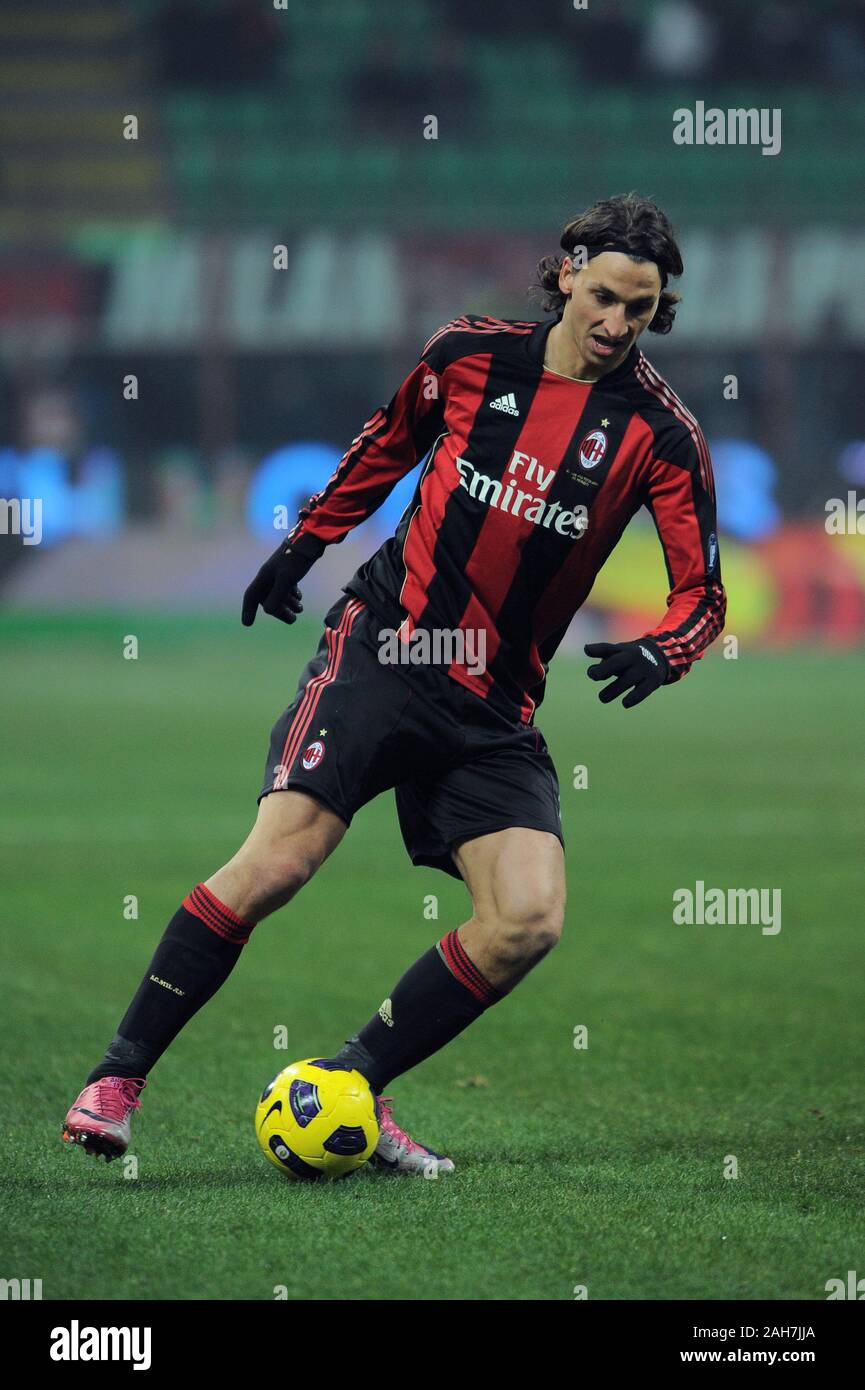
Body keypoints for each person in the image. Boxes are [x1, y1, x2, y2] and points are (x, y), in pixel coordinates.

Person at [63, 192, 726, 1174]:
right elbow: (383, 447)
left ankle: (351, 1084)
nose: (616, 323)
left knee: (529, 917)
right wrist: (302, 547)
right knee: (278, 862)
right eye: (602, 297)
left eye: (640, 308)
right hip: (390, 652)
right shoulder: (467, 356)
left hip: (496, 706)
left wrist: (662, 648)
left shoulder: (660, 436)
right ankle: (116, 1079)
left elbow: (701, 591)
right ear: (563, 277)